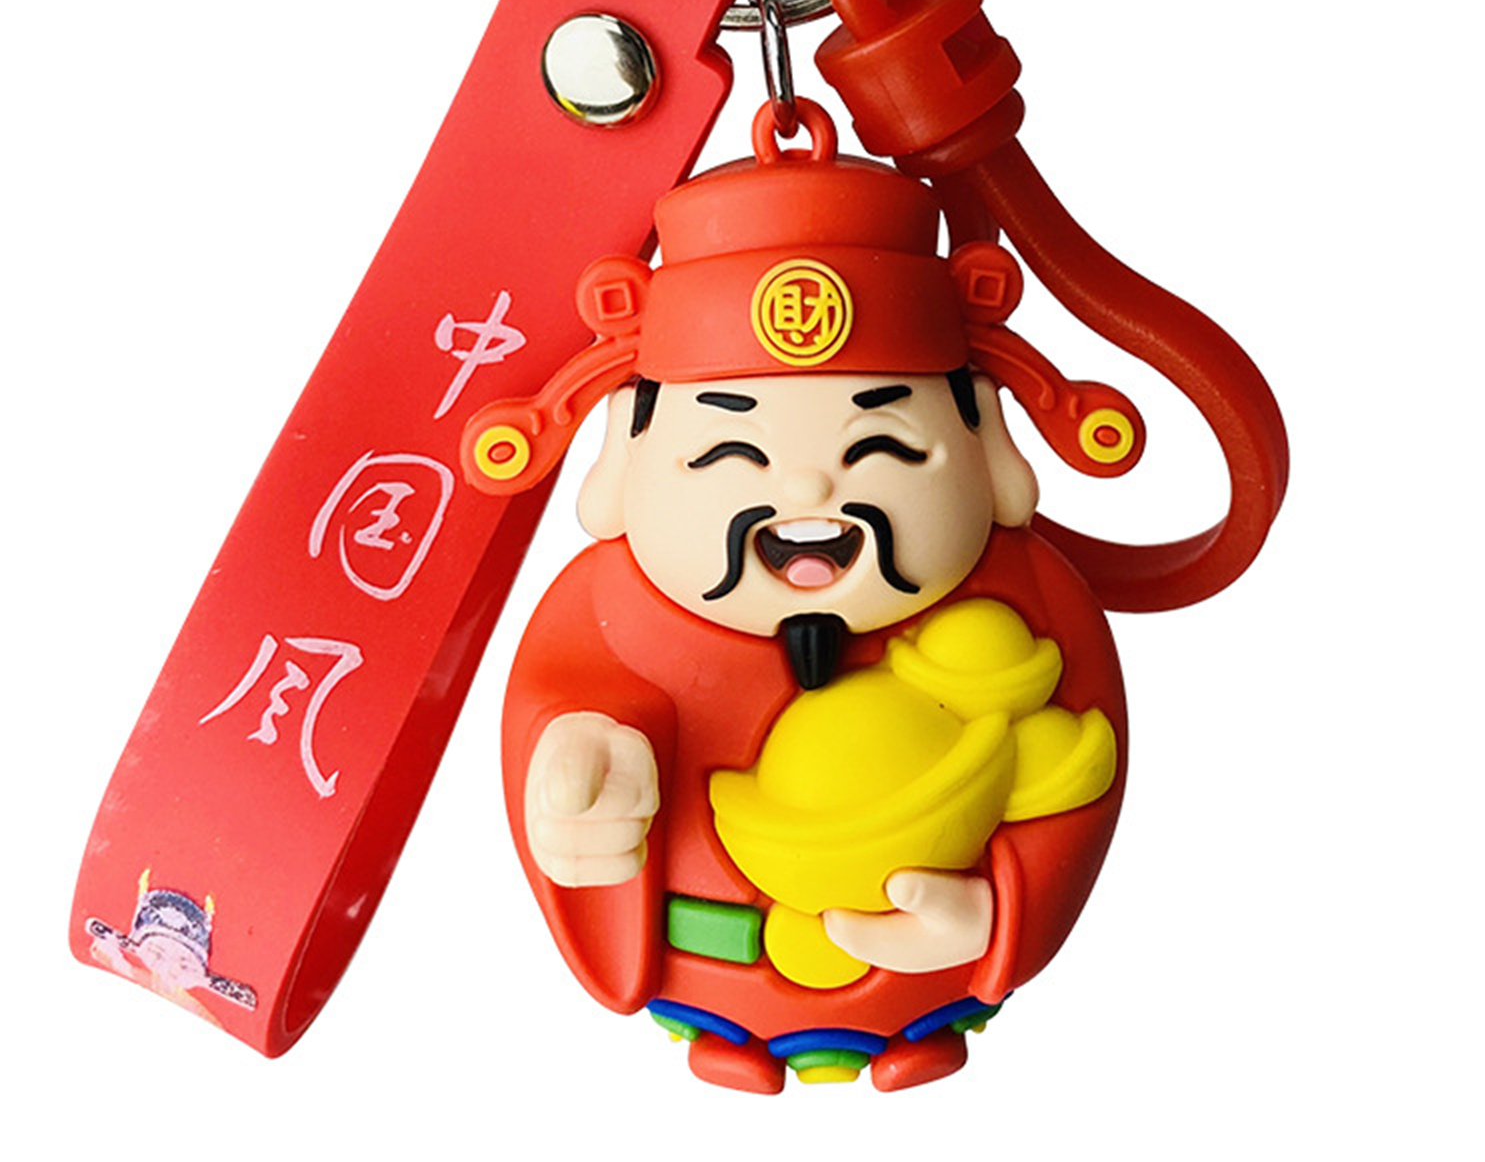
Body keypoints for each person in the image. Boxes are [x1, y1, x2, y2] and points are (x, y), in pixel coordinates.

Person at [464, 101, 1141, 1092]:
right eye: (728, 456)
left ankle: (919, 1026)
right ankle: (731, 1034)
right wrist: (576, 778)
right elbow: (555, 705)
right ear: (623, 459)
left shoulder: (1029, 599)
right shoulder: (604, 610)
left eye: (884, 448)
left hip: (939, 978)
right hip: (712, 955)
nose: (807, 490)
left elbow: (1085, 764)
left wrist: (996, 913)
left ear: (990, 450)